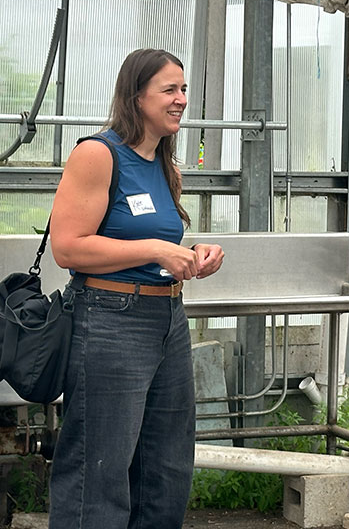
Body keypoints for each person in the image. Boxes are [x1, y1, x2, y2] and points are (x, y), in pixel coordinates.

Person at [48, 48, 225, 529]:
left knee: (166, 469)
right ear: (136, 96)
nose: (181, 100)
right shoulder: (97, 154)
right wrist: (154, 250)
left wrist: (190, 256)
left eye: (184, 89)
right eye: (170, 90)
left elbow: (152, 243)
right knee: (98, 468)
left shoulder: (165, 164)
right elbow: (68, 248)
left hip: (166, 318)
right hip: (109, 320)